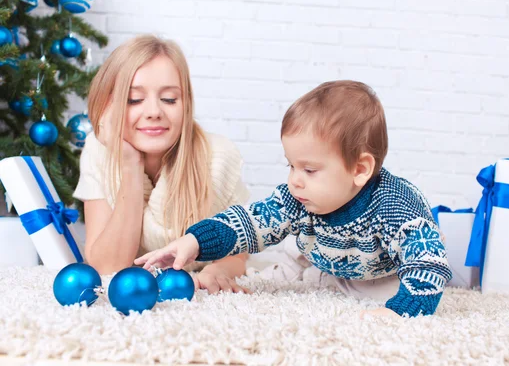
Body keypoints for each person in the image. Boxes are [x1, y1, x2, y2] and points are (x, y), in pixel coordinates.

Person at [135, 80, 451, 317]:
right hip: (324, 254)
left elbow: (427, 265)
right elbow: (252, 221)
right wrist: (194, 242)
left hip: (379, 270)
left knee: (396, 294)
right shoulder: (298, 197)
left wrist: (398, 312)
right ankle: (314, 271)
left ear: (359, 169)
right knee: (290, 249)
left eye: (310, 170)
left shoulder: (395, 208)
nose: (294, 180)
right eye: (291, 165)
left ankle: (349, 284)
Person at [73, 35, 250, 294]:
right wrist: (130, 165)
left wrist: (218, 269)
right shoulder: (99, 152)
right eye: (134, 100)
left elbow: (239, 253)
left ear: (186, 104)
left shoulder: (218, 156)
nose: (154, 111)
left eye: (169, 99)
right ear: (108, 106)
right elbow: (108, 267)